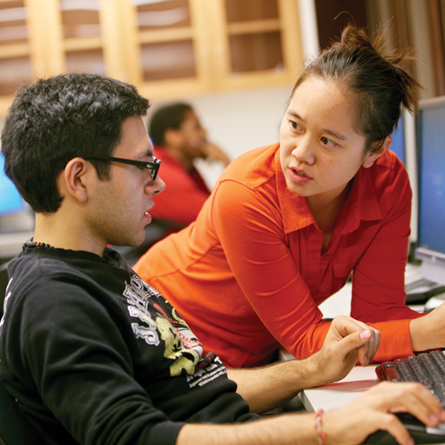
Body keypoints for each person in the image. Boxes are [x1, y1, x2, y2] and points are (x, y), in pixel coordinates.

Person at [1, 73, 443, 445]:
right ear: (79, 178)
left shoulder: (105, 270)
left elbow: (197, 385)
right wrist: (325, 428)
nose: (156, 185)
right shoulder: (54, 300)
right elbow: (135, 437)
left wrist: (309, 369)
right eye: (142, 166)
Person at [134, 24, 445, 369]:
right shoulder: (245, 194)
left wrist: (430, 327)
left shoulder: (388, 182)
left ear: (375, 150)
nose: (300, 154)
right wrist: (425, 332)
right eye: (295, 125)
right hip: (166, 327)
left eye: (328, 141)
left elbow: (378, 315)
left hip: (258, 352)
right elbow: (304, 338)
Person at [148, 102, 230, 228]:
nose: (204, 132)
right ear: (173, 137)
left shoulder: (182, 167)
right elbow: (220, 218)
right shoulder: (162, 174)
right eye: (197, 127)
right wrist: (226, 162)